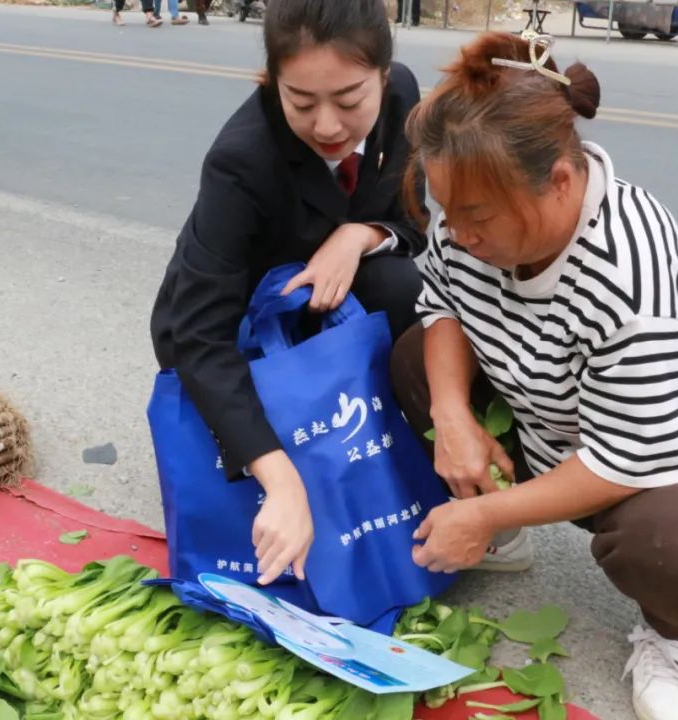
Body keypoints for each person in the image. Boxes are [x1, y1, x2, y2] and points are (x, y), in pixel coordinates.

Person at [391, 31, 678, 720]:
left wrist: (478, 509)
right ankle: (503, 534)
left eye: (475, 218)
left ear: (560, 183)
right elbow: (441, 305)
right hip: (550, 425)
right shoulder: (470, 211)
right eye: (447, 213)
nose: (458, 234)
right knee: (409, 355)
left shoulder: (628, 270)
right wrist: (451, 418)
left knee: (674, 537)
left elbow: (631, 459)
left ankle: (670, 635)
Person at [151, 0, 426, 588]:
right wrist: (279, 479)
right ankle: (291, 457)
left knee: (406, 287)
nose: (327, 126)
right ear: (272, 82)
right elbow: (198, 334)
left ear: (383, 73)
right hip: (237, 326)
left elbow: (414, 224)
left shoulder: (403, 98)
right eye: (300, 102)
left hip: (331, 305)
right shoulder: (241, 160)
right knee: (268, 463)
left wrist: (360, 234)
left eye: (350, 100)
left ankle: (393, 464)